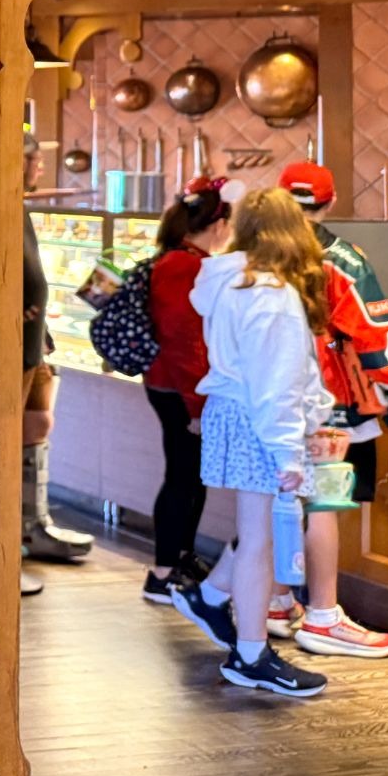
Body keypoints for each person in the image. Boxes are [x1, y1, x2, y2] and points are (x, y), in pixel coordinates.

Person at [170, 188, 334, 698]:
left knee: (254, 532)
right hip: (260, 420)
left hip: (235, 413)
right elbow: (276, 384)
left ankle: (218, 607)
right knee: (260, 539)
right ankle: (250, 653)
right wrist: (290, 450)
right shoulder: (273, 295)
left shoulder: (228, 281)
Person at [264, 161, 388, 659]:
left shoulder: (251, 258)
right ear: (329, 203)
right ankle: (324, 616)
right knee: (324, 505)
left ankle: (275, 602)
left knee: (280, 501)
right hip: (330, 409)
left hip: (268, 404)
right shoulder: (342, 260)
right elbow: (377, 337)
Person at [138, 177, 235, 604]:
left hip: (173, 385)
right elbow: (184, 340)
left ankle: (180, 559)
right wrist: (197, 406)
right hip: (179, 389)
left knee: (191, 475)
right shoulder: (186, 266)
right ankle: (162, 573)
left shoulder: (182, 260)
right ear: (219, 225)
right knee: (182, 476)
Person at [24, 135, 92, 597]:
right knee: (6, 438)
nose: (40, 170)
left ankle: (32, 526)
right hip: (8, 346)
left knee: (36, 426)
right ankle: (8, 540)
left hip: (31, 344)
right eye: (34, 161)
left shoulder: (19, 206)